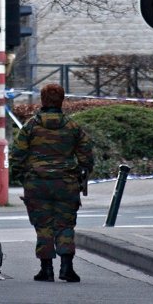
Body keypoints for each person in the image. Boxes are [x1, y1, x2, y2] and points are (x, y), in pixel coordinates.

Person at [10, 83, 93, 283]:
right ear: (62, 100)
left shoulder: (30, 126)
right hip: (66, 183)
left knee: (43, 226)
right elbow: (87, 158)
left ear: (43, 101)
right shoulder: (73, 127)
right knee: (65, 225)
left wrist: (24, 177)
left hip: (37, 183)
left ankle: (46, 269)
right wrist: (80, 176)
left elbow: (16, 157)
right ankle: (67, 267)